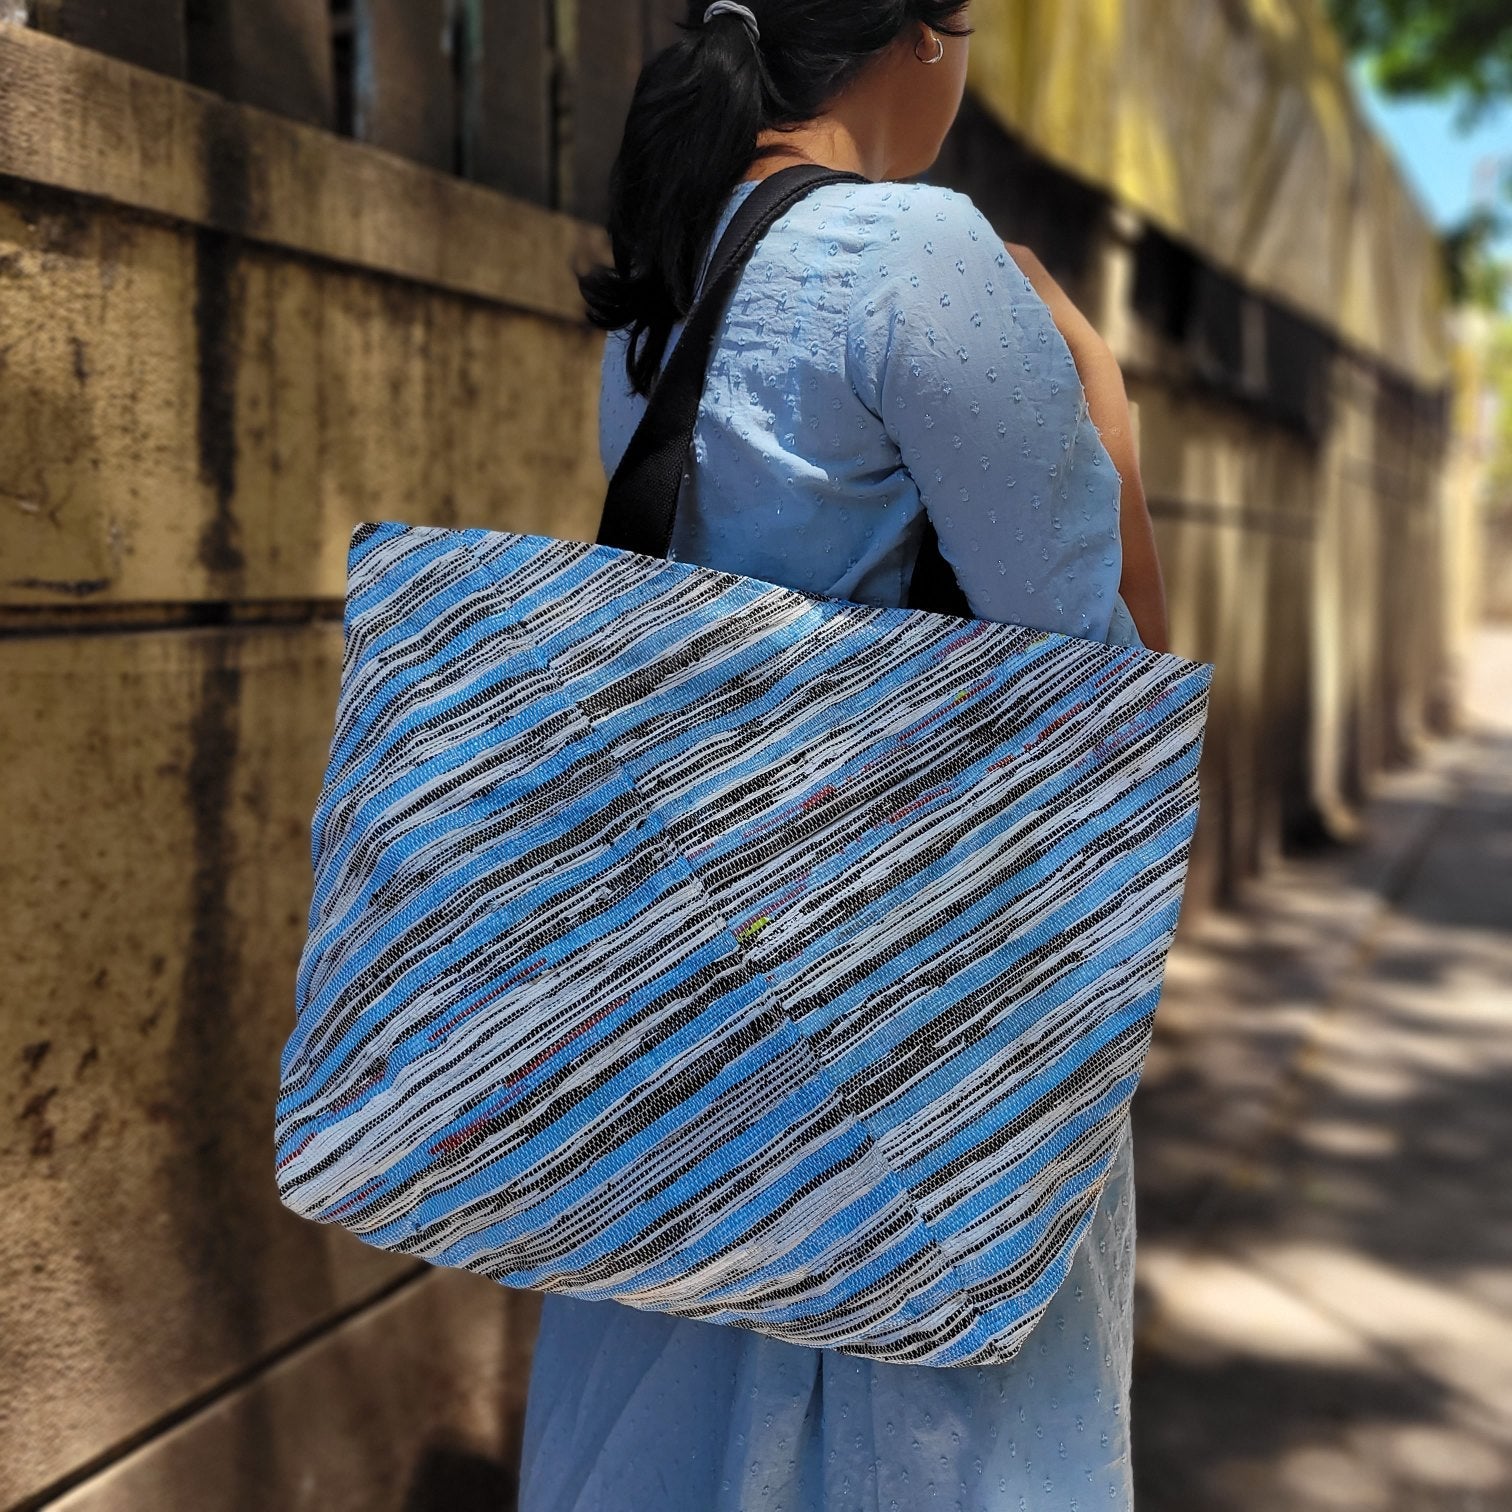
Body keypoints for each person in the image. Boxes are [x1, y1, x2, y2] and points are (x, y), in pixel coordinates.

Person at [518, 3, 1169, 1507]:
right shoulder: (919, 253)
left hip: (686, 1011)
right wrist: (1106, 403)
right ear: (925, 38)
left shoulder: (674, 273)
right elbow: (1101, 692)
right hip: (911, 1021)